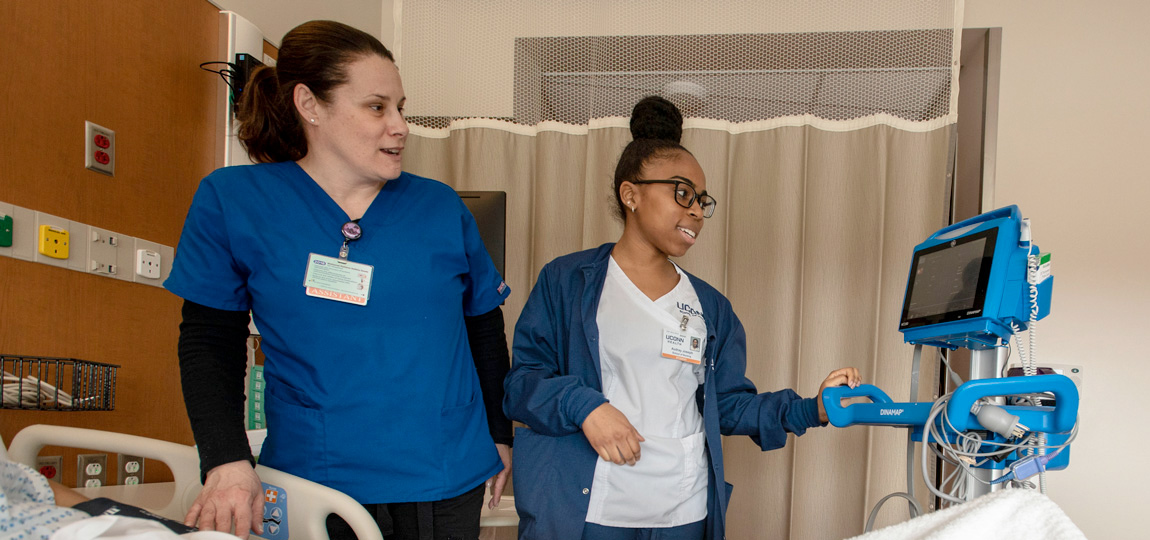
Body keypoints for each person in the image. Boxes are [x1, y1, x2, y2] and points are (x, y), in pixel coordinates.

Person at [164, 20, 513, 540]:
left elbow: (483, 327)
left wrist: (498, 434)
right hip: (315, 478)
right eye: (377, 107)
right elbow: (209, 340)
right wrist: (226, 459)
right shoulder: (234, 201)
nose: (399, 125)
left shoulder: (440, 208)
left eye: (401, 108)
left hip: (442, 475)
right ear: (310, 105)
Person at [502, 96, 861, 540]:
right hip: (593, 512)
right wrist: (587, 406)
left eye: (701, 200)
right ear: (630, 194)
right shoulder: (568, 283)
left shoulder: (710, 307)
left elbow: (726, 406)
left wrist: (813, 409)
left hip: (681, 511)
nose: (696, 210)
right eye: (682, 193)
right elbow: (521, 385)